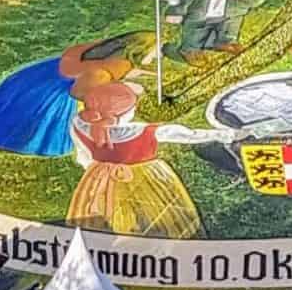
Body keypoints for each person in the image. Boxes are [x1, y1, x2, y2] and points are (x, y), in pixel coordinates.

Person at [66, 79, 203, 238]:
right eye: (132, 107)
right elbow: (189, 135)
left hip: (101, 175)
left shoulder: (80, 124)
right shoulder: (145, 131)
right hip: (147, 175)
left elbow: (83, 155)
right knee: (159, 210)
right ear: (124, 112)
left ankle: (118, 236)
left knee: (107, 212)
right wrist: (227, 135)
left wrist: (95, 168)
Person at [0, 33, 142, 156]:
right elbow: (79, 93)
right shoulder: (99, 73)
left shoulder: (91, 52)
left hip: (29, 81)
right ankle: (25, 142)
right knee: (38, 128)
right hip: (45, 97)